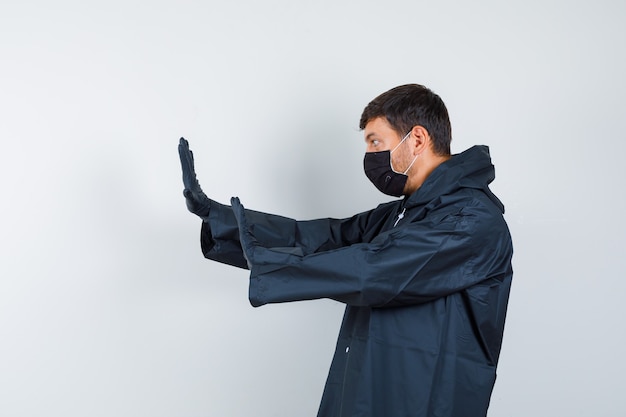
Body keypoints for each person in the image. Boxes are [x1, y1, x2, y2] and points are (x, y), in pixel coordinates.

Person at [178, 84, 513, 417]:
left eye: (376, 142)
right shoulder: (403, 214)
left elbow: (375, 270)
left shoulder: (469, 219)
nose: (370, 156)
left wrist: (270, 263)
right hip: (368, 392)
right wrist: (220, 218)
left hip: (423, 400)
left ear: (417, 139)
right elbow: (324, 238)